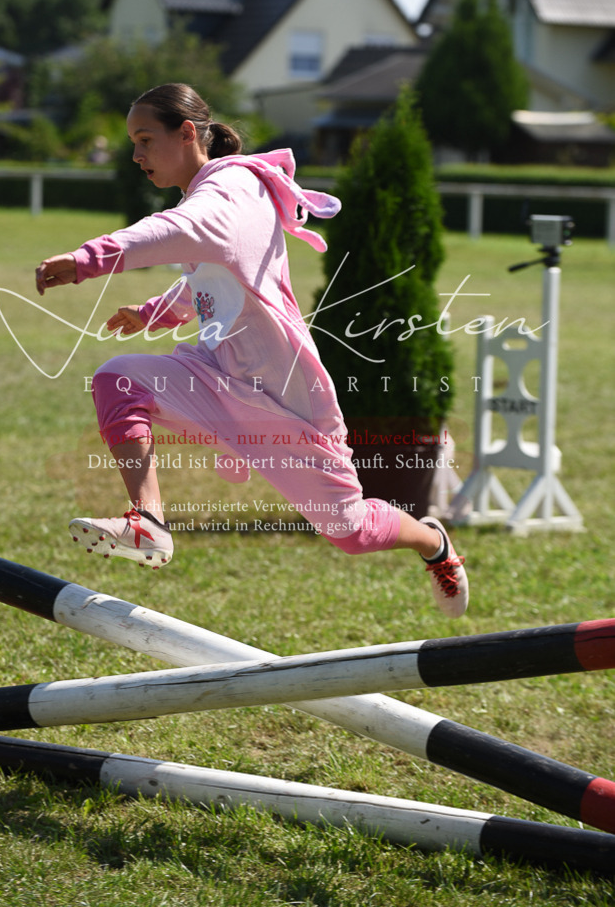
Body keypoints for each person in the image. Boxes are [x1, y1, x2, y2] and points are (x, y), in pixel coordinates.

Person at [35, 83, 468, 618]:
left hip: (284, 401)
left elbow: (180, 233)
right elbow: (218, 276)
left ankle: (434, 544)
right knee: (117, 379)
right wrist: (150, 313)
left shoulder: (230, 189)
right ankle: (147, 523)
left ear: (187, 133)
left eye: (145, 139)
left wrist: (89, 259)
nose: (135, 154)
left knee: (350, 531)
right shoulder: (212, 193)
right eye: (133, 141)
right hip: (218, 379)